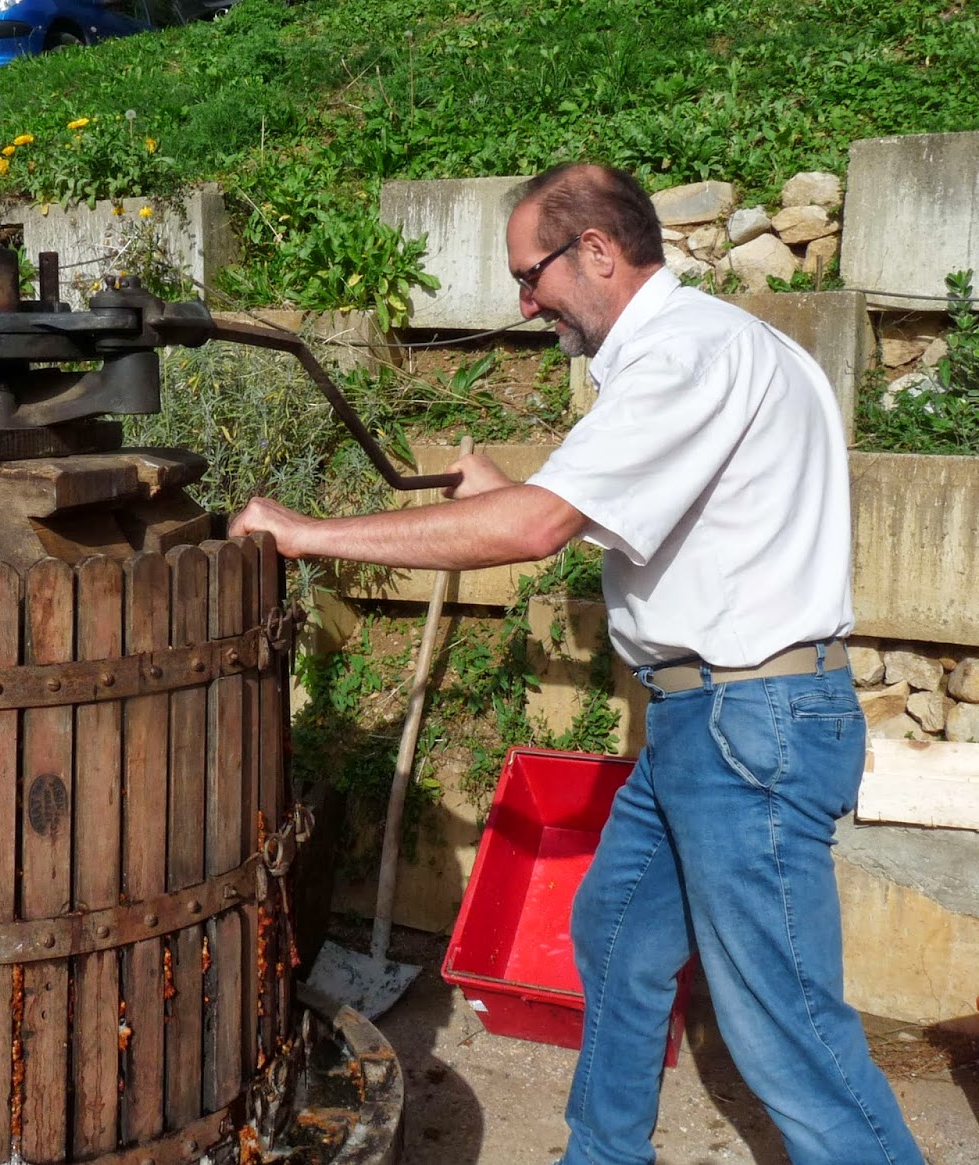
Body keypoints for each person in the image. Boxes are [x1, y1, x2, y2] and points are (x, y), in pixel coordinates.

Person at [231, 163, 923, 1165]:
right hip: (708, 723)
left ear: (597, 251)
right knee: (615, 932)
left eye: (530, 274)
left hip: (747, 725)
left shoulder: (687, 355)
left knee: (787, 1031)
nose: (522, 301)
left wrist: (306, 532)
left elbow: (538, 526)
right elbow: (635, 513)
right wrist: (513, 492)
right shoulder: (718, 349)